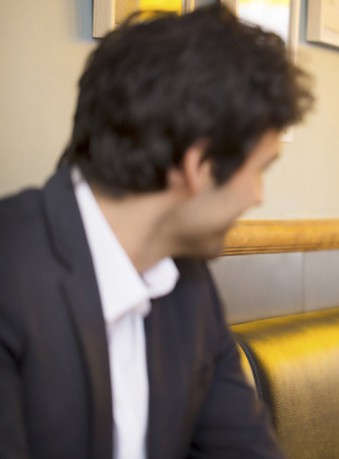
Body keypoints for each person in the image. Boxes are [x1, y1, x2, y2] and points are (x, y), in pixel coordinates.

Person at [0, 5, 312, 459]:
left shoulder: (190, 287)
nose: (258, 196)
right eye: (260, 169)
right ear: (198, 165)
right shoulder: (10, 272)